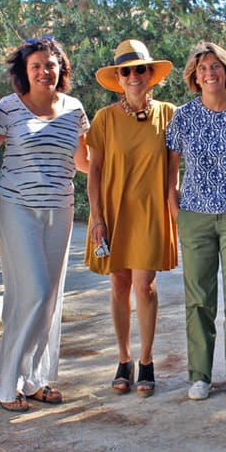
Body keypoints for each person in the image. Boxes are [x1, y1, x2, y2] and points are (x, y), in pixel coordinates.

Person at [0, 36, 90, 412]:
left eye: (50, 64)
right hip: (17, 209)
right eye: (35, 65)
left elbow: (85, 162)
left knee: (49, 298)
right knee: (31, 291)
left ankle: (36, 379)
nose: (44, 71)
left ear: (60, 69)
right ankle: (7, 383)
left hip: (59, 210)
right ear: (24, 71)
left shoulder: (74, 109)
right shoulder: (8, 108)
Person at [166, 41, 226, 401]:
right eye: (202, 68)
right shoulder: (183, 116)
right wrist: (176, 210)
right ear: (194, 76)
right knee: (199, 299)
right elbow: (171, 170)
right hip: (195, 214)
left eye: (215, 66)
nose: (209, 73)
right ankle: (200, 375)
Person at [85, 40, 177, 397]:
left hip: (151, 210)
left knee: (145, 286)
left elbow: (174, 168)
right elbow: (93, 171)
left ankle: (147, 360)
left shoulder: (170, 114)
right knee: (119, 285)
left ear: (151, 75)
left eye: (140, 69)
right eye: (126, 71)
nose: (134, 76)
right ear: (118, 79)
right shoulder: (105, 118)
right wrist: (96, 217)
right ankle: (123, 359)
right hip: (113, 210)